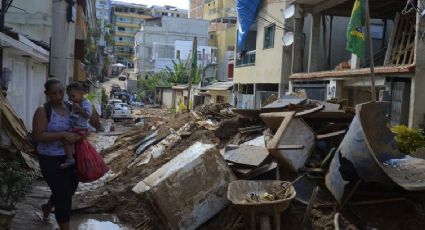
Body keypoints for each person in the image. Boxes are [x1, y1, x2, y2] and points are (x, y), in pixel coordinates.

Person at [32, 79, 81, 230]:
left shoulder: (70, 107)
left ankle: (47, 207)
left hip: (70, 157)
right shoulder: (43, 110)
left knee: (70, 189)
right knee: (63, 196)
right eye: (54, 93)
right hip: (50, 159)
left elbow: (78, 126)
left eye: (61, 92)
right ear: (47, 94)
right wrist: (63, 135)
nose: (58, 96)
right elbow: (38, 136)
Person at [60, 82, 92, 168]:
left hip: (80, 128)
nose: (71, 98)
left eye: (73, 96)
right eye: (69, 96)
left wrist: (79, 109)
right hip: (76, 128)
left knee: (66, 140)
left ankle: (70, 159)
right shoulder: (74, 103)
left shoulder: (86, 103)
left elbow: (88, 115)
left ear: (81, 93)